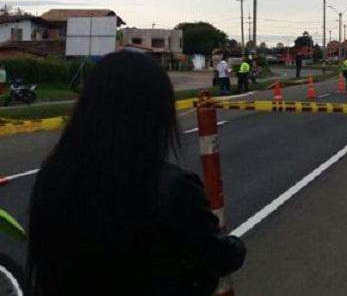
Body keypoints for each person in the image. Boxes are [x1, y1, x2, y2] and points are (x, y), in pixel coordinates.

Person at [27, 50, 246, 295]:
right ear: (157, 113)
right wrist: (235, 247)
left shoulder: (54, 176)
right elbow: (215, 256)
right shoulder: (171, 188)